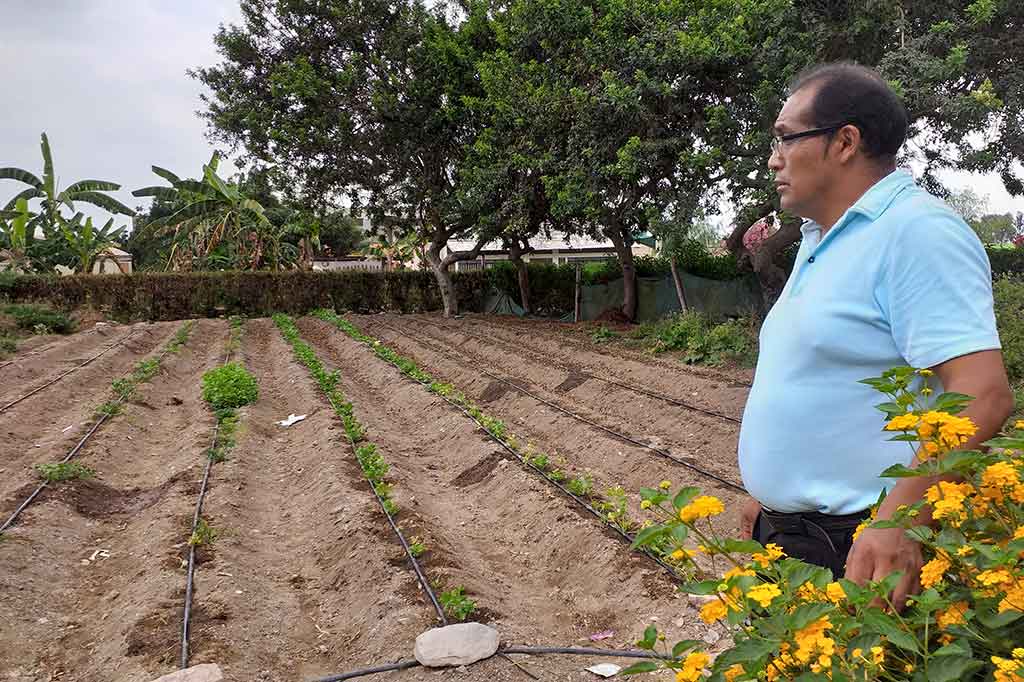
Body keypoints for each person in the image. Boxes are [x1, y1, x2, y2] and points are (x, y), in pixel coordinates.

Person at [738, 62, 1015, 609]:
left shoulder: (915, 232)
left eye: (785, 139)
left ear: (845, 142)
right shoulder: (822, 238)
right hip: (793, 537)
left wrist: (898, 522)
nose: (773, 159)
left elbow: (983, 395)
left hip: (860, 547)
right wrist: (771, 500)